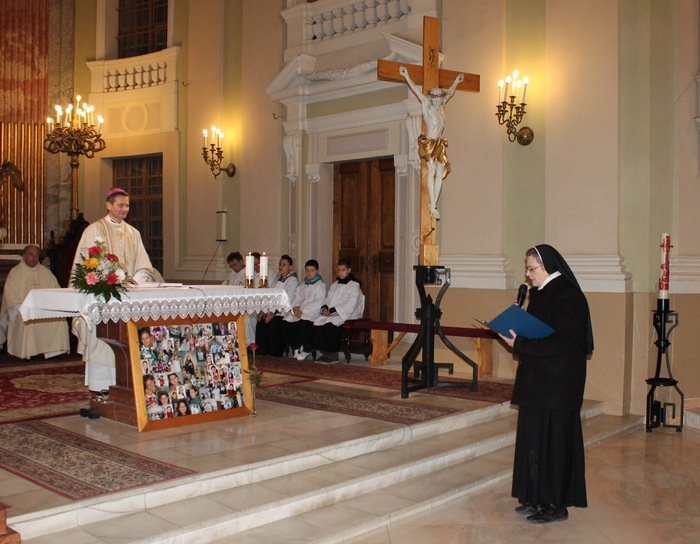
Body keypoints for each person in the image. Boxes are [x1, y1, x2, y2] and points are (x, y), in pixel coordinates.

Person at [499, 244, 594, 524]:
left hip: (557, 386)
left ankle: (555, 504)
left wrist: (520, 343)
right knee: (535, 442)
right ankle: (535, 497)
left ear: (548, 267)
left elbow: (563, 342)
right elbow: (539, 333)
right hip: (538, 382)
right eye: (527, 269)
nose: (528, 274)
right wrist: (517, 323)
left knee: (554, 446)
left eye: (531, 268)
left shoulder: (569, 296)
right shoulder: (540, 293)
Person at [71, 187, 163, 392]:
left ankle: (125, 385)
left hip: (128, 298)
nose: (124, 209)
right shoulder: (94, 231)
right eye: (120, 205)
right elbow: (86, 266)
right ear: (108, 205)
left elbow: (144, 265)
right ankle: (100, 386)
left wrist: (135, 280)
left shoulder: (133, 233)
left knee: (126, 341)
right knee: (101, 342)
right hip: (102, 298)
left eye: (127, 206)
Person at [399, 65, 464, 220]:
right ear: (431, 98)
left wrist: (456, 82)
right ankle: (433, 205)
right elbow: (416, 90)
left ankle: (434, 204)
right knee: (432, 169)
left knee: (440, 171)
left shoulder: (441, 108)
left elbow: (450, 93)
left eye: (439, 98)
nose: (438, 100)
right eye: (435, 98)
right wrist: (406, 76)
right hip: (429, 143)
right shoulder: (427, 107)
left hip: (439, 143)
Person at [0, 244, 69, 359]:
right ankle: (29, 353)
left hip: (44, 310)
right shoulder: (15, 272)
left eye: (36, 255)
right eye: (31, 255)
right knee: (29, 321)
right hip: (23, 310)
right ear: (24, 256)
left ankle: (53, 352)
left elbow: (56, 291)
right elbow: (10, 295)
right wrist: (24, 309)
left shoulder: (46, 272)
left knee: (60, 320)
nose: (34, 258)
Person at [313, 258, 365, 363]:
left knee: (330, 326)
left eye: (343, 270)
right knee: (317, 323)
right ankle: (325, 354)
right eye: (339, 270)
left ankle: (332, 356)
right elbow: (328, 299)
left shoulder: (354, 286)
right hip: (333, 313)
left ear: (349, 270)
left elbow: (351, 305)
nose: (340, 272)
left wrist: (332, 311)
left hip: (347, 314)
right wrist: (325, 308)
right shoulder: (335, 284)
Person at [255, 255, 299, 356]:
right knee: (261, 320)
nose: (281, 267)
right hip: (273, 311)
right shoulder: (277, 279)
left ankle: (274, 353)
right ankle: (262, 352)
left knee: (273, 322)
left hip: (284, 313)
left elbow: (287, 300)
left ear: (290, 267)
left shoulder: (292, 281)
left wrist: (274, 313)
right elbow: (270, 297)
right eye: (280, 264)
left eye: (284, 265)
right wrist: (264, 311)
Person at [284, 259, 327, 360]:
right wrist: (295, 308)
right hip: (299, 311)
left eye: (312, 270)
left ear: (317, 271)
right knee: (288, 323)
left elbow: (319, 302)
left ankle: (306, 349)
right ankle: (296, 347)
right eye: (307, 270)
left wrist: (303, 312)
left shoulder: (320, 285)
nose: (309, 273)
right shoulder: (302, 284)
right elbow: (297, 298)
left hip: (311, 313)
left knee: (304, 325)